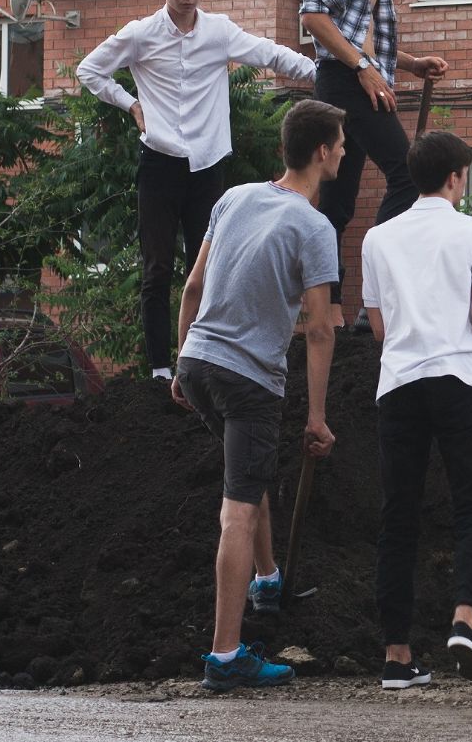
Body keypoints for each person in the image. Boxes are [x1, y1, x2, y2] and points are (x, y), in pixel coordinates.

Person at [76, 0, 317, 381]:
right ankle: (159, 370)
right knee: (156, 268)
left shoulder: (219, 32)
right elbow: (89, 70)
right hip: (160, 163)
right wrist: (130, 103)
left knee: (205, 269)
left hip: (207, 166)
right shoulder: (140, 34)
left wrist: (325, 74)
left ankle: (198, 362)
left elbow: (270, 53)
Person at [171, 99, 345, 692]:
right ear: (321, 152)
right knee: (238, 511)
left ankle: (267, 578)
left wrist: (181, 363)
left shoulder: (234, 198)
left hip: (199, 363)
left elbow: (193, 287)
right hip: (247, 381)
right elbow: (319, 329)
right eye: (341, 144)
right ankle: (225, 655)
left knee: (249, 470)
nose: (344, 151)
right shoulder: (314, 228)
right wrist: (317, 416)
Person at [360, 131, 472, 690]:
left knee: (397, 516)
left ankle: (397, 656)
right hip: (458, 379)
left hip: (398, 383)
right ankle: (464, 620)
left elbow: (378, 329)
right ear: (454, 177)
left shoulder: (377, 238)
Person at [300, 0, 449, 328]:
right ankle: (376, 296)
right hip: (345, 82)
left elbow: (364, 37)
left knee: (338, 203)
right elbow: (313, 17)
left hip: (361, 78)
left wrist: (410, 64)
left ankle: (332, 310)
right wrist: (363, 69)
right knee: (408, 174)